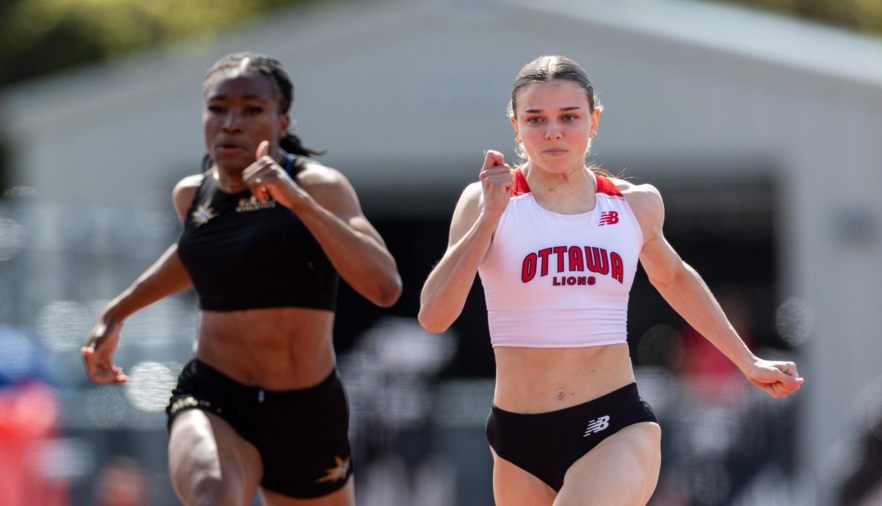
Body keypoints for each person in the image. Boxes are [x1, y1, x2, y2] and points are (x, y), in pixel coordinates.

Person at [418, 55, 803, 506]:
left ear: (594, 120)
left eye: (569, 117)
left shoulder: (631, 206)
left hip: (612, 426)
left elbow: (677, 279)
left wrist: (747, 361)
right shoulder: (486, 203)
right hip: (517, 437)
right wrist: (488, 218)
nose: (553, 131)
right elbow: (434, 317)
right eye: (535, 119)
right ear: (515, 126)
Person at [82, 53, 402, 506]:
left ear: (281, 121)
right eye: (217, 108)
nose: (231, 122)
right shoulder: (192, 193)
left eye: (252, 109)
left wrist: (296, 202)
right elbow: (198, 253)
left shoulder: (318, 185)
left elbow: (384, 287)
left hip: (304, 407)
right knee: (213, 493)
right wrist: (116, 313)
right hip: (216, 394)